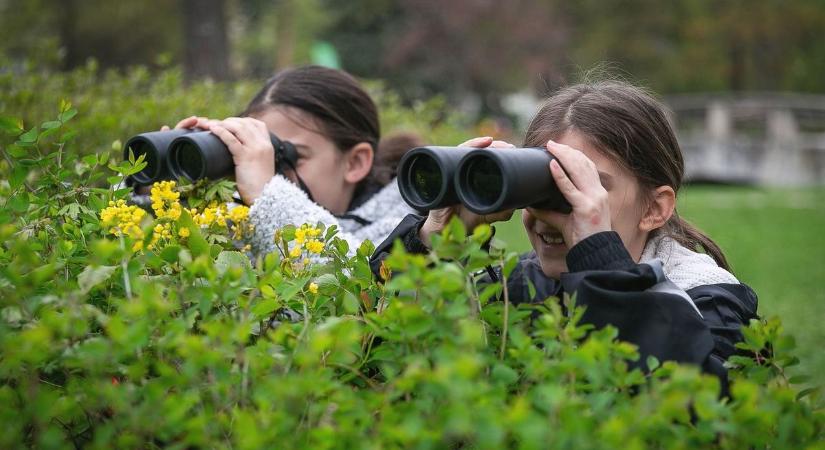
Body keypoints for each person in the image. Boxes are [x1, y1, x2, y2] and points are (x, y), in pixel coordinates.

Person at [371, 80, 758, 392]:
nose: (554, 211)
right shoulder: (516, 286)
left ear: (654, 209)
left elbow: (704, 406)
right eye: (543, 184)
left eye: (584, 185)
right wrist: (436, 240)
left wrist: (599, 257)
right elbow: (382, 361)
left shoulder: (707, 297)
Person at [159, 65, 417, 256]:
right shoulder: (234, 217)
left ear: (355, 163)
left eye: (292, 156)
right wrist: (167, 194)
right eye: (260, 152)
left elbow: (357, 283)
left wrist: (266, 194)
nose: (267, 171)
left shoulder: (412, 227)